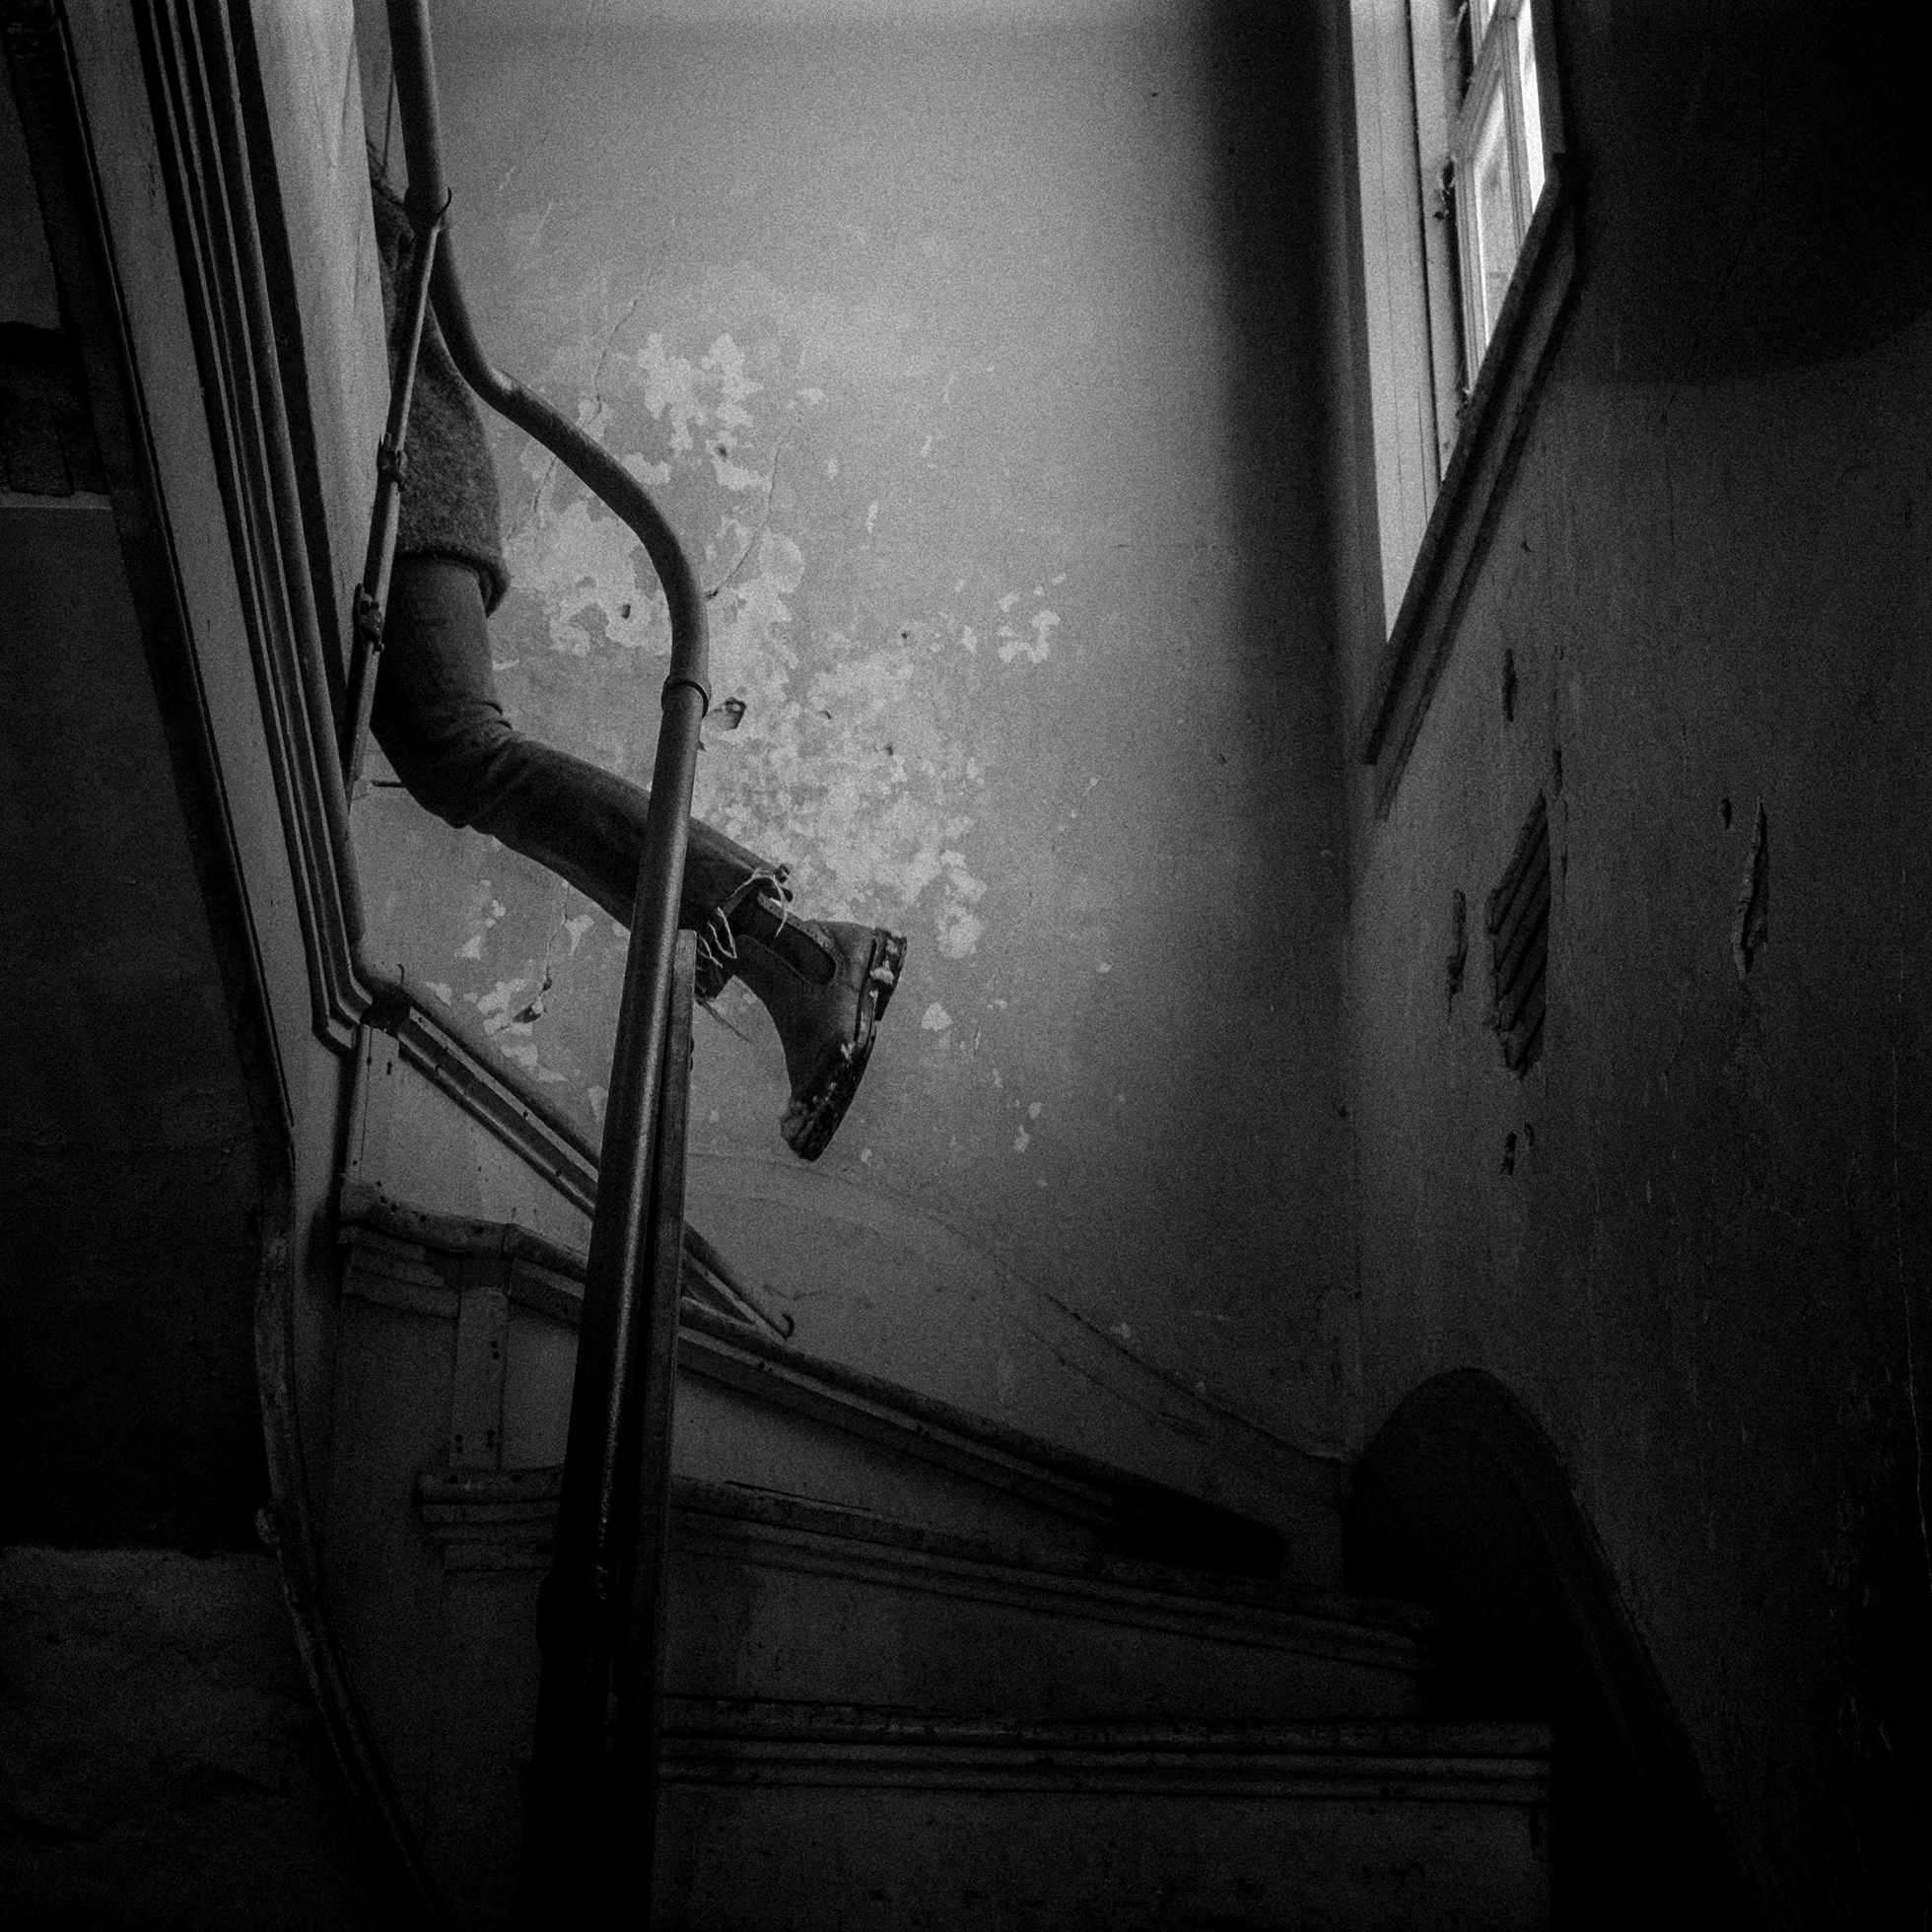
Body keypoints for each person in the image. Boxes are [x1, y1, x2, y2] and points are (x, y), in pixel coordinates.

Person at [367, 168, 904, 1161]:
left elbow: (393, 250)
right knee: (452, 760)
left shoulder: (327, 189)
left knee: (460, 752)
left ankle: (805, 952)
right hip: (390, 479)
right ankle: (796, 954)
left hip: (410, 474)